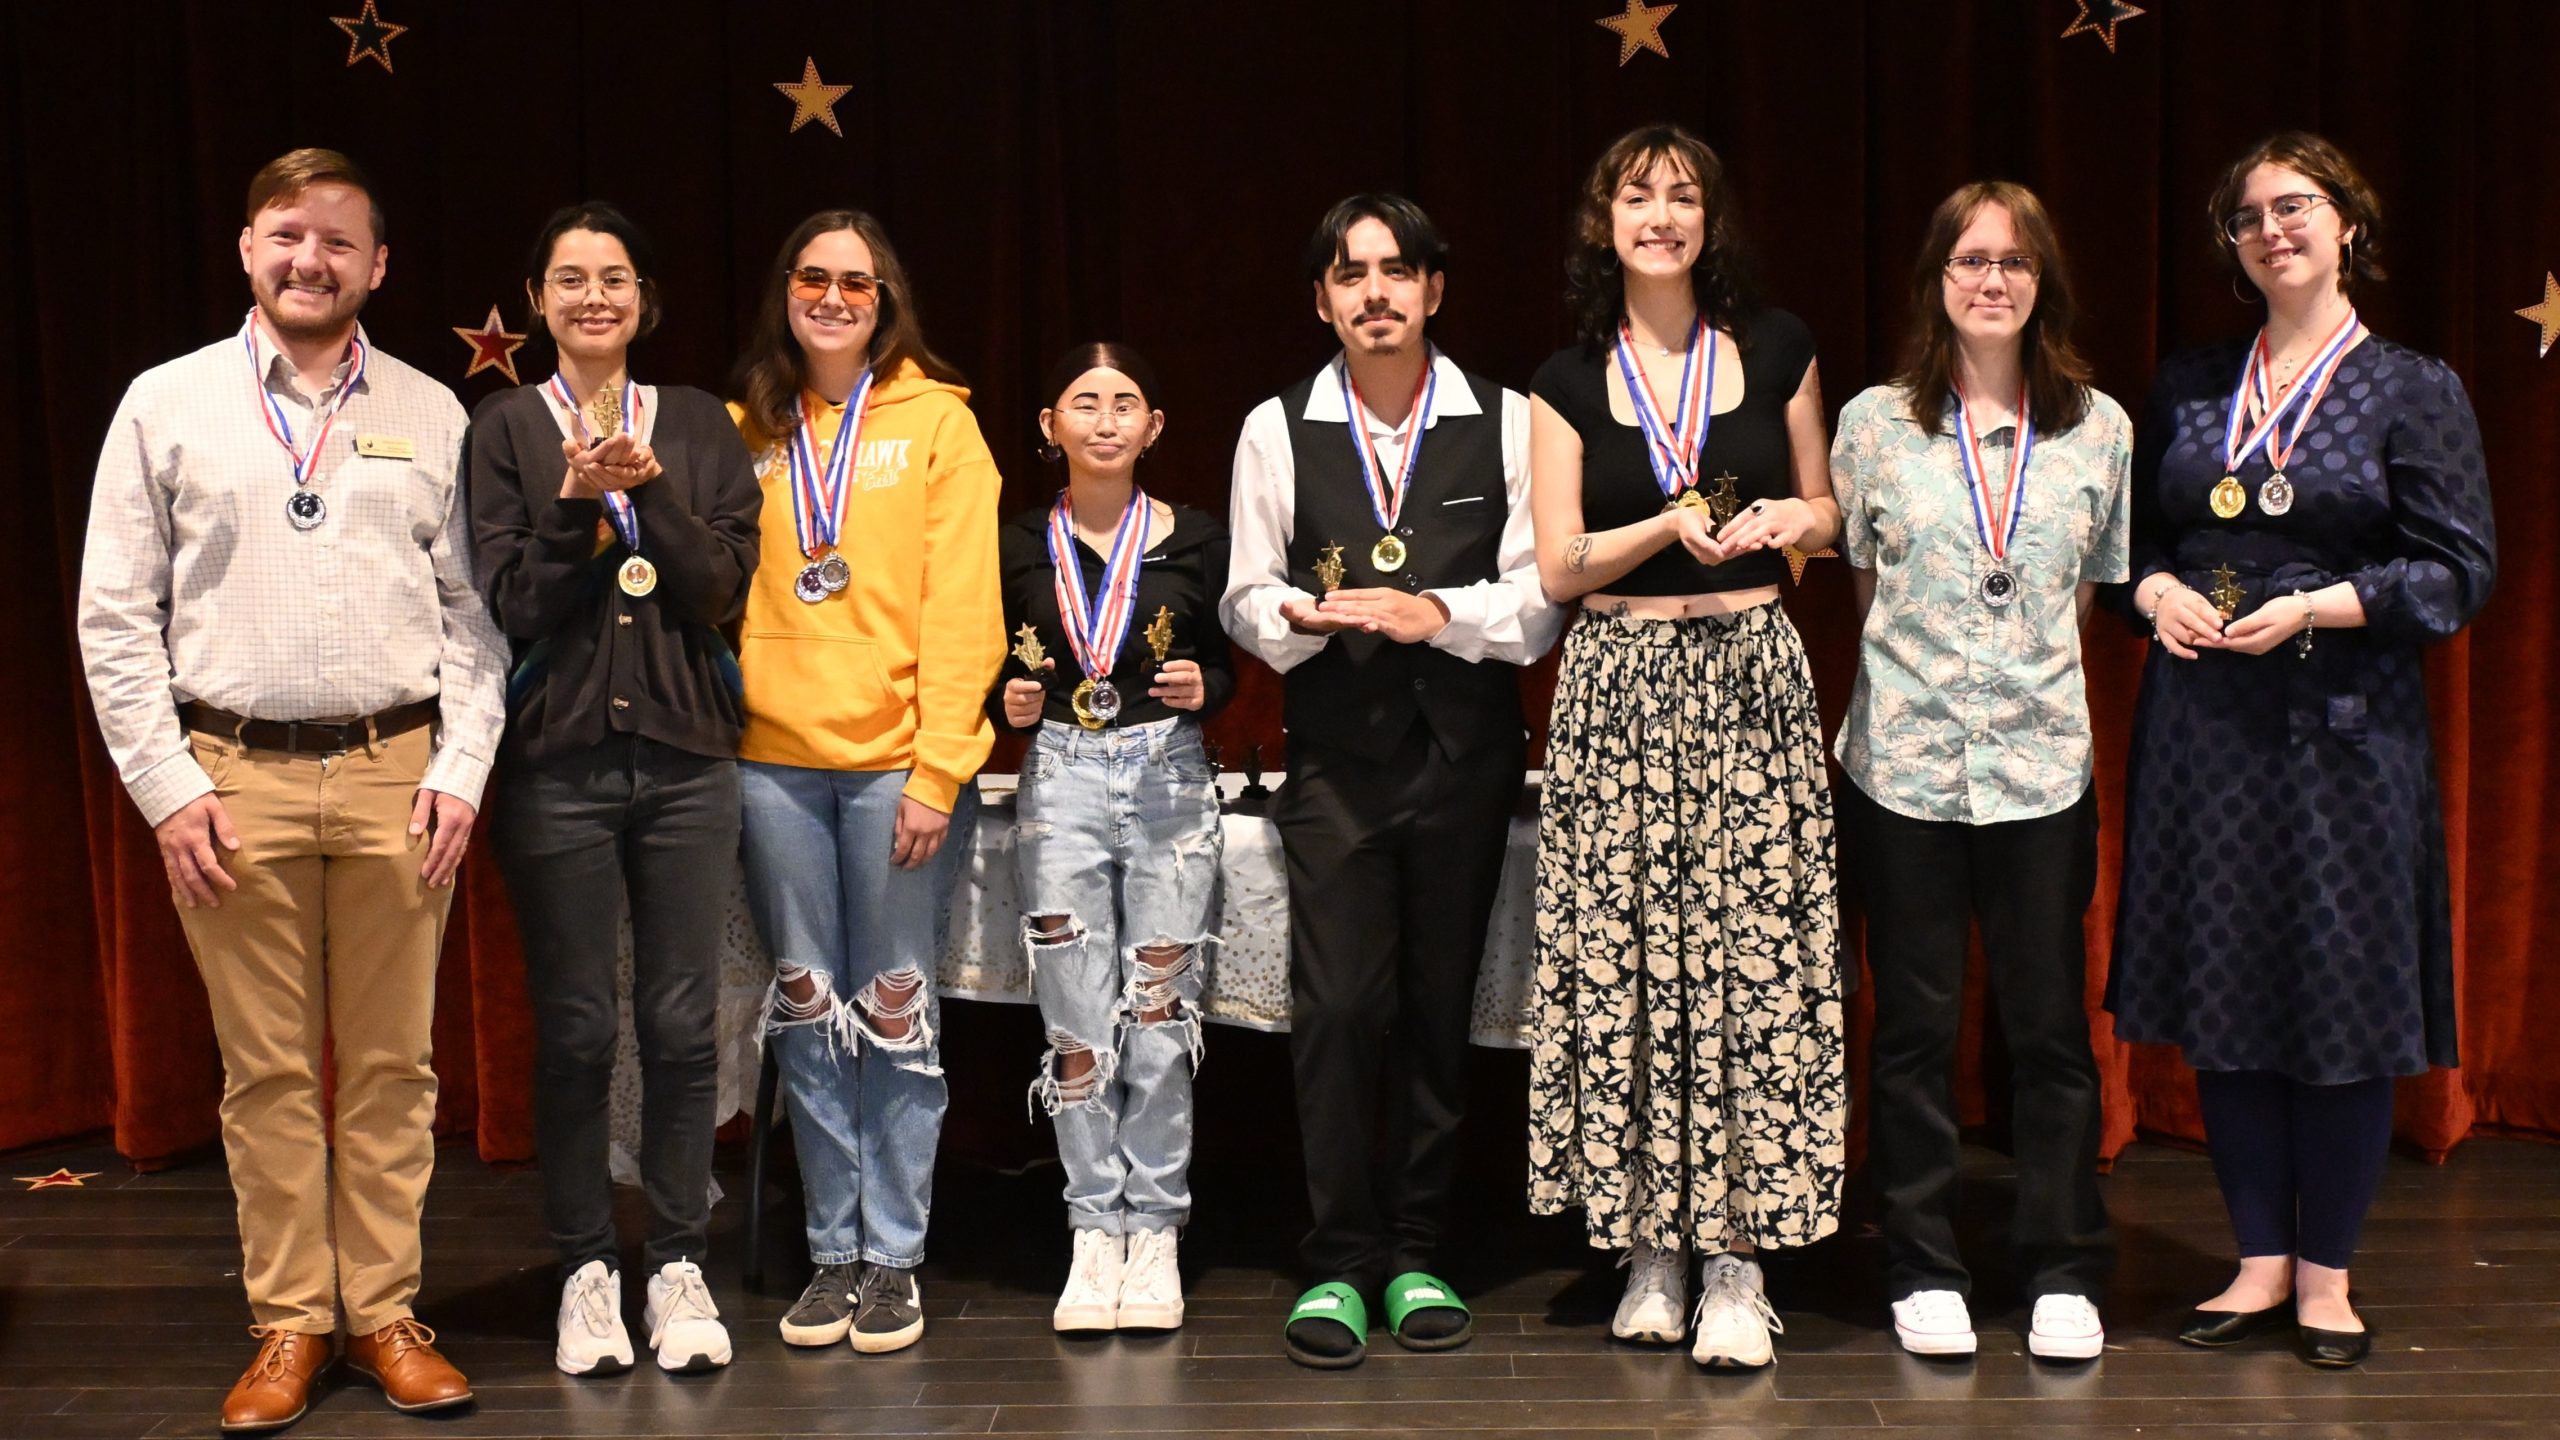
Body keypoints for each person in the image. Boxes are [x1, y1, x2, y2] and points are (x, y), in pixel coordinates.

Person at [75, 147, 503, 1431]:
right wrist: (166, 788)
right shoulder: (168, 402)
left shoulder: (435, 412)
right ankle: (289, 1323)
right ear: (249, 250)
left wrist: (463, 770)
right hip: (228, 779)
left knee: (390, 1069)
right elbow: (112, 619)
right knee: (264, 1073)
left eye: (336, 241)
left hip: (397, 775)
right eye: (286, 236)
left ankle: (382, 1310)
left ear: (378, 266)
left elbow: (478, 621)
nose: (308, 260)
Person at [2109, 131, 2495, 1369]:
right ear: (2231, 248)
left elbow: (2458, 571)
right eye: (2248, 217)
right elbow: (2132, 547)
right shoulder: (2186, 383)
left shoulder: (2409, 386)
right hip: (2207, 737)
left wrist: (2324, 607)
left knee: (2336, 998)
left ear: (2344, 225)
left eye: (2295, 207)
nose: (2272, 230)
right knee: (2227, 1001)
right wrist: (2153, 593)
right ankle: (2255, 1265)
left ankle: (2326, 1278)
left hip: (2346, 738)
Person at [1524, 122, 1846, 1370]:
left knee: (1751, 961)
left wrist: (1786, 516)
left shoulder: (1777, 348)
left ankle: (1736, 1262)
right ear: (1603, 223)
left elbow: (1826, 515)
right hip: (1615, 684)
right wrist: (1665, 520)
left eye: (1681, 196)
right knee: (1628, 964)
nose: (1659, 215)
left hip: (1753, 676)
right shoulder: (1562, 378)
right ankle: (1648, 1248)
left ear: (1711, 221)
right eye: (1635, 196)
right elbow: (1557, 564)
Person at [1222, 193, 1560, 1369]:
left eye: (1396, 272)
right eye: (1350, 274)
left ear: (1433, 291)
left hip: (1465, 758)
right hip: (1336, 764)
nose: (1374, 293)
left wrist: (1436, 613)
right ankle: (1337, 1260)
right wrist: (1300, 619)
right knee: (1339, 1012)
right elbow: (1244, 592)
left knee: (1433, 1007)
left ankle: (1417, 1250)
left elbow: (1534, 598)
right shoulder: (1276, 426)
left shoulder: (1509, 420)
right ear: (1321, 297)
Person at [1831, 181, 2128, 1362]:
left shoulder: (2097, 428)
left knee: (2049, 1031)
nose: (1990, 281)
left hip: (2040, 772)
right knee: (1910, 1027)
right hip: (1900, 772)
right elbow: (1866, 592)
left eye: (2011, 261)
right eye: (1967, 261)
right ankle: (1921, 1263)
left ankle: (2060, 1266)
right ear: (1935, 282)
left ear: (2041, 279)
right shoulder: (1871, 426)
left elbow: (2082, 597)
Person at [468, 202, 761, 1376]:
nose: (596, 297)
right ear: (537, 300)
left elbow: (719, 590)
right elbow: (517, 605)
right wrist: (583, 499)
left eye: (617, 278)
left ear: (644, 300)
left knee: (684, 1027)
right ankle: (588, 1264)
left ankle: (678, 1258)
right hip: (558, 772)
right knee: (582, 1028)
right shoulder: (502, 426)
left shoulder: (693, 421)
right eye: (571, 279)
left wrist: (655, 495)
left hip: (690, 765)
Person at [729, 208, 1003, 1357]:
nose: (834, 297)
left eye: (857, 281)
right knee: (804, 1011)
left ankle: (893, 1256)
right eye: (814, 276)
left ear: (885, 300)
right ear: (785, 289)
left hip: (897, 766)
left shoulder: (939, 424)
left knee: (894, 1014)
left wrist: (940, 767)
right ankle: (829, 1250)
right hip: (769, 765)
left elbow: (964, 611)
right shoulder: (741, 423)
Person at [994, 342, 1234, 1334]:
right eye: (1081, 402)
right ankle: (1094, 1227)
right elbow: (987, 660)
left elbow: (1224, 664)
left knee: (1156, 1012)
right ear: (1049, 426)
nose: (1103, 419)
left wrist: (1203, 689)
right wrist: (998, 700)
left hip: (1169, 775)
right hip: (1057, 774)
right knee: (1075, 1023)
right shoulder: (1013, 541)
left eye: (1123, 402)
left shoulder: (1198, 537)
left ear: (1153, 427)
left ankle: (1157, 1229)